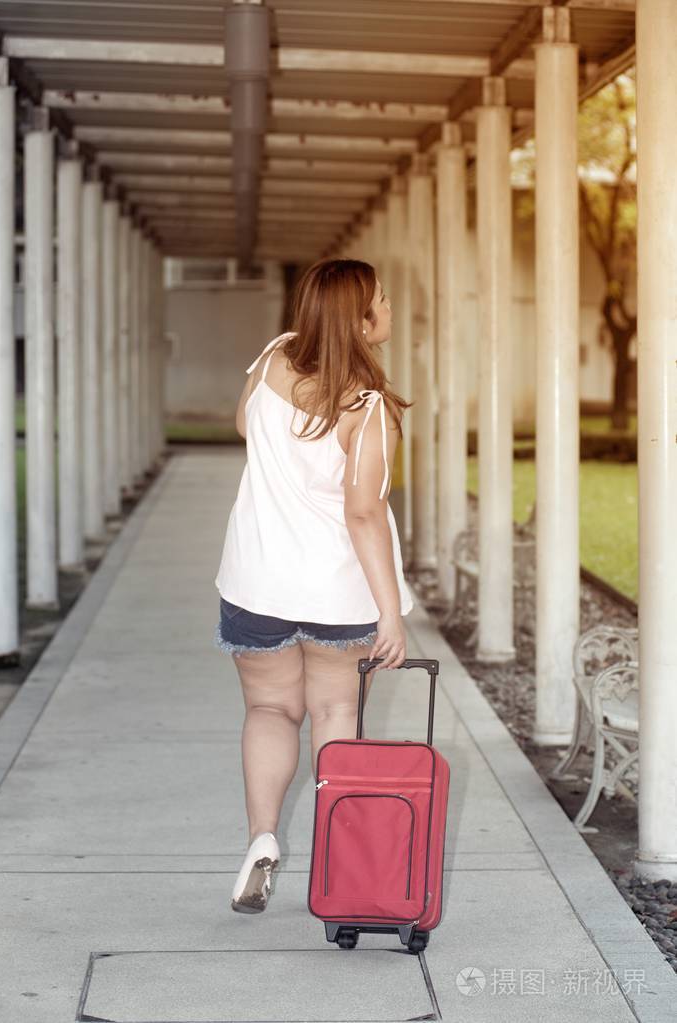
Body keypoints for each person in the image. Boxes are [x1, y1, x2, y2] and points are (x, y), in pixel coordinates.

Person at [213, 258, 415, 913]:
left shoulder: (272, 357)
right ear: (360, 318)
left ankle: (262, 837)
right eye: (381, 300)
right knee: (336, 714)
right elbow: (362, 513)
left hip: (256, 583)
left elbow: (246, 426)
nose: (389, 309)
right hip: (336, 594)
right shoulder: (368, 407)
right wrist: (391, 612)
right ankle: (341, 858)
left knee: (269, 711)